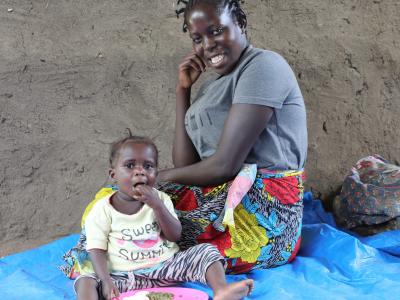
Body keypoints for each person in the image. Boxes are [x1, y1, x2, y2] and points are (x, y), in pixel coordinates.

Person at [60, 0, 307, 282]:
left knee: (151, 228)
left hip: (264, 215)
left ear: (240, 23)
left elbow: (225, 165)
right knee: (117, 203)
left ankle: (111, 270)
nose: (208, 44)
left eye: (216, 31)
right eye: (198, 38)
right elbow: (187, 165)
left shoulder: (264, 66)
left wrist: (153, 179)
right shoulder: (214, 85)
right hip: (222, 195)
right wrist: (183, 90)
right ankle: (109, 263)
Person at [74, 132, 253, 300]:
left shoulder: (161, 199)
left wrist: (157, 206)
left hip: (166, 269)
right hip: (123, 277)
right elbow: (96, 249)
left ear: (155, 174)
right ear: (113, 175)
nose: (140, 171)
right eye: (130, 166)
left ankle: (221, 289)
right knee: (86, 279)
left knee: (206, 251)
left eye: (148, 166)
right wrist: (106, 280)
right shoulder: (102, 209)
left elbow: (174, 235)